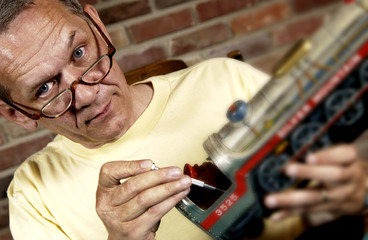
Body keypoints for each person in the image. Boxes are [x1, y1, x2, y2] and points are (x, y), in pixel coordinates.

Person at [0, 0, 366, 239]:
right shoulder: (34, 196)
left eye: (79, 52)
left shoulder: (225, 78)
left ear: (98, 24)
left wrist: (352, 194)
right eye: (46, 88)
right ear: (16, 113)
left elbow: (332, 194)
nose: (86, 92)